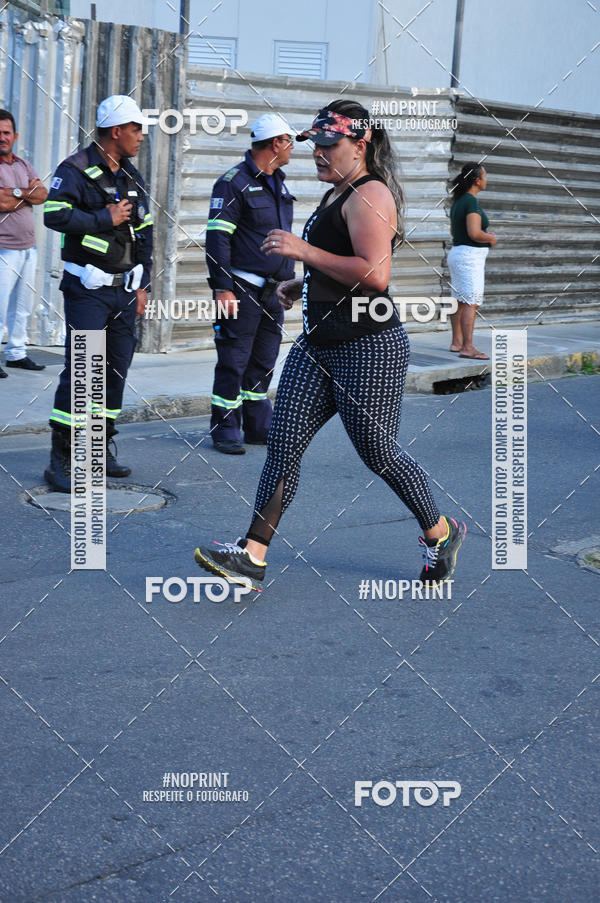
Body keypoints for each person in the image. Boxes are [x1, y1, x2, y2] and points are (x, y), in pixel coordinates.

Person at [194, 100, 466, 593]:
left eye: (328, 144)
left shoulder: (371, 194)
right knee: (283, 442)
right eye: (313, 144)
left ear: (359, 144)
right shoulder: (335, 191)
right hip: (319, 345)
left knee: (378, 451)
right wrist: (303, 283)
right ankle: (253, 555)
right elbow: (340, 260)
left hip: (369, 346)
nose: (317, 153)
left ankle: (439, 531)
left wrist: (302, 252)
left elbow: (375, 274)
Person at [43, 95, 154, 492]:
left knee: (114, 373)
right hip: (87, 291)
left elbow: (146, 233)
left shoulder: (132, 175)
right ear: (115, 131)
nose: (141, 136)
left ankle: (100, 447)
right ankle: (60, 459)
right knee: (82, 373)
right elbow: (53, 214)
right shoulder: (73, 169)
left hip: (124, 294)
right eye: (136, 128)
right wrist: (100, 218)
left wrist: (143, 285)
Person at [205, 112, 295, 454]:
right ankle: (225, 429)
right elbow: (217, 239)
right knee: (233, 360)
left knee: (263, 362)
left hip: (273, 291)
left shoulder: (278, 182)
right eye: (289, 142)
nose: (291, 149)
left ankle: (258, 426)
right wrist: (222, 287)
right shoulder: (233, 183)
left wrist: (286, 282)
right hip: (240, 289)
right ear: (275, 143)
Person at [0, 109, 47, 377]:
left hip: (29, 249)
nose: (2, 137)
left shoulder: (23, 165)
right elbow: (1, 202)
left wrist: (14, 192)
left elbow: (42, 194)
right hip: (3, 248)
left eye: (6, 132)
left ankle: (17, 353)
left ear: (15, 136)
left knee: (22, 306)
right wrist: (25, 193)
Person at [447, 162, 497, 360]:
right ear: (477, 180)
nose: (486, 180)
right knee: (471, 302)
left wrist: (481, 236)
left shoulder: (458, 202)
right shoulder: (471, 202)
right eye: (485, 176)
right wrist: (491, 238)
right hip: (469, 257)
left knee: (459, 300)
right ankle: (468, 347)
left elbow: (454, 231)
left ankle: (456, 342)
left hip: (458, 253)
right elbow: (474, 233)